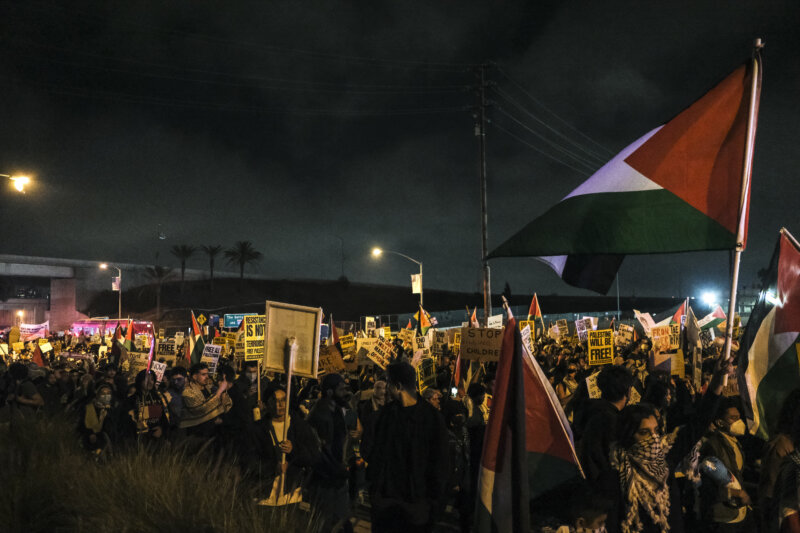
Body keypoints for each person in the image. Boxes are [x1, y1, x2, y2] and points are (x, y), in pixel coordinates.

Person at [608, 357, 731, 533]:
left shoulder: (665, 457)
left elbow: (698, 424)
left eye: (656, 431)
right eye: (644, 432)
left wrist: (717, 381)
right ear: (627, 437)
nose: (654, 438)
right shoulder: (614, 476)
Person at [363, 361, 449, 533]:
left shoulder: (431, 419)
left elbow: (440, 463)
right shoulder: (384, 416)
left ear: (398, 385)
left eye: (388, 382)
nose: (386, 388)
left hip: (416, 506)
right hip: (386, 504)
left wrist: (433, 505)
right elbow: (370, 451)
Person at [246, 385, 319, 504]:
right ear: (266, 404)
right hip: (264, 496)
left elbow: (312, 456)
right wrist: (273, 467)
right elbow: (250, 460)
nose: (279, 404)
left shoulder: (300, 426)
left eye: (283, 400)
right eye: (274, 400)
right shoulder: (258, 429)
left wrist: (293, 450)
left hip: (291, 494)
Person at [306, 373, 353, 533]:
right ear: (330, 392)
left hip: (335, 477)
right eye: (341, 389)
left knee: (340, 521)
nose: (345, 393)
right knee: (326, 523)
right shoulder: (322, 414)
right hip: (325, 480)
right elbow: (321, 449)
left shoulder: (336, 409)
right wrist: (339, 470)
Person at [699, 397, 754, 532]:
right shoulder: (712, 446)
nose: (738, 422)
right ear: (720, 422)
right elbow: (706, 487)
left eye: (739, 417)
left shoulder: (734, 442)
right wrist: (735, 493)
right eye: (732, 418)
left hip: (738, 513)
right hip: (723, 517)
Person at [180, 362, 232, 437]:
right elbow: (200, 410)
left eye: (207, 374)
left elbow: (227, 404)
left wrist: (223, 391)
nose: (207, 377)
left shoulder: (210, 388)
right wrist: (219, 392)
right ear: (195, 376)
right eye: (203, 374)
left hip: (214, 432)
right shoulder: (187, 391)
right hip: (197, 434)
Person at [126, 369, 171, 442]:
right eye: (146, 379)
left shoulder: (159, 397)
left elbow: (165, 417)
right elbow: (129, 422)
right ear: (140, 381)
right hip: (139, 440)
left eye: (152, 379)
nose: (150, 382)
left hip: (158, 439)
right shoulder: (132, 399)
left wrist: (161, 429)